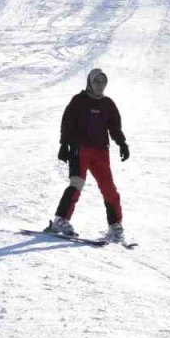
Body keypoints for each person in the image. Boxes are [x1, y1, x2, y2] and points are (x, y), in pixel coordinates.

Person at [49, 68, 129, 242]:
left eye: (103, 82)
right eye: (96, 82)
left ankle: (115, 225)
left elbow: (115, 127)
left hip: (101, 150)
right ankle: (60, 220)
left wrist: (122, 143)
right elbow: (67, 124)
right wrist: (64, 145)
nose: (100, 85)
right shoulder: (78, 101)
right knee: (77, 183)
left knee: (109, 188)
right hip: (80, 148)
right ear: (89, 83)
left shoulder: (108, 104)